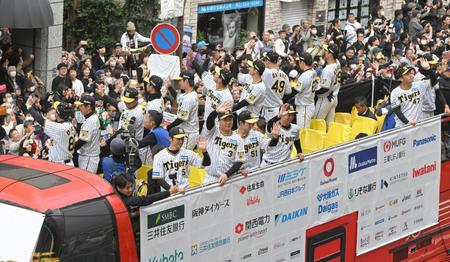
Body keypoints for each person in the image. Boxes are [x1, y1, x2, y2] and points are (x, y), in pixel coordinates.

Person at [152, 127, 210, 191]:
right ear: (170, 139)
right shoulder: (159, 156)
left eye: (182, 138)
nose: (181, 141)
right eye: (178, 139)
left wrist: (204, 151)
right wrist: (170, 188)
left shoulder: (188, 153)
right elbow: (158, 178)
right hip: (168, 193)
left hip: (185, 191)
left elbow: (205, 164)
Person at [204, 102, 246, 186]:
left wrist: (227, 174)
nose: (228, 122)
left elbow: (239, 161)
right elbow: (209, 122)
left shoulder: (238, 139)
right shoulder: (213, 132)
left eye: (230, 119)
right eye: (225, 120)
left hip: (227, 178)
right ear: (219, 121)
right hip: (210, 177)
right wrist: (216, 112)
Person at [26, 98, 77, 165]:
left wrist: (29, 106)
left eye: (55, 112)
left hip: (61, 164)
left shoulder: (60, 127)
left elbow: (40, 120)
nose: (54, 113)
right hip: (65, 161)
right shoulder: (70, 125)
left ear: (58, 114)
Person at [390, 60, 436, 127]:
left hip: (417, 124)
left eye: (411, 73)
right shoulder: (395, 92)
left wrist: (428, 69)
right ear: (401, 78)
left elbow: (434, 82)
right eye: (407, 74)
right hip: (403, 126)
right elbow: (396, 110)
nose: (411, 75)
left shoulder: (419, 85)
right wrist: (407, 122)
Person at [112, 171, 177, 211]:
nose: (130, 189)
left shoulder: (114, 188)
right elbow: (145, 199)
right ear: (118, 188)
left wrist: (169, 188)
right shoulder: (124, 200)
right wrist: (169, 192)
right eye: (127, 188)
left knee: (151, 172)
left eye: (131, 186)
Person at [166, 71, 199, 150]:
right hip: (188, 132)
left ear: (186, 81)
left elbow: (181, 118)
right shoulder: (189, 94)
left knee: (183, 156)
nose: (179, 82)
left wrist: (169, 127)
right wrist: (170, 87)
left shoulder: (189, 98)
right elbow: (178, 98)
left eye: (181, 80)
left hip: (189, 133)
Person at [313, 43, 341, 124]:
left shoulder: (327, 70)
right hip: (334, 97)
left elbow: (325, 88)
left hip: (325, 99)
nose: (324, 52)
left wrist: (314, 92)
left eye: (326, 51)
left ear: (330, 54)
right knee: (329, 124)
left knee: (317, 123)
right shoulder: (337, 62)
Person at [74, 95, 101, 173]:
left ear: (88, 107)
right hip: (90, 157)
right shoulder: (93, 118)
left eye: (81, 106)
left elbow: (82, 141)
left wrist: (70, 150)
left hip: (88, 158)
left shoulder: (90, 121)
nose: (79, 108)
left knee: (86, 181)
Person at [261, 51, 291, 120]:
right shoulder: (285, 75)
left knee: (269, 130)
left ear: (268, 61)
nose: (264, 62)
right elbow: (288, 92)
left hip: (269, 109)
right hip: (279, 108)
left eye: (265, 60)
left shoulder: (266, 72)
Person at [294, 53, 318, 128]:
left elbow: (295, 91)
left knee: (302, 132)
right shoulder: (314, 71)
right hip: (309, 104)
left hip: (304, 108)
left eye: (299, 61)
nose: (298, 63)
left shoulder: (304, 76)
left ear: (303, 63)